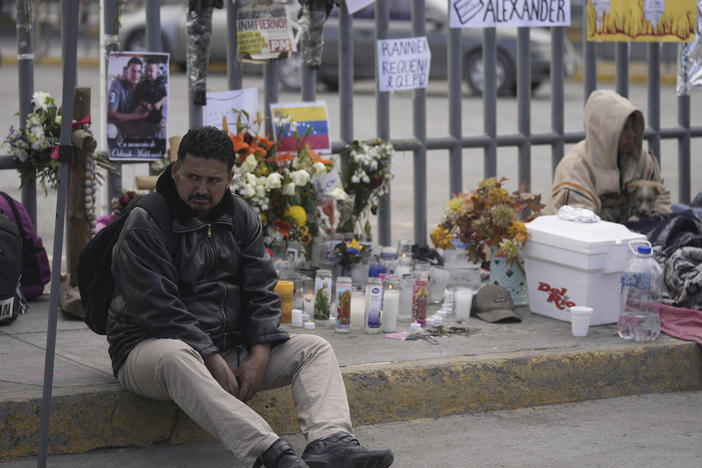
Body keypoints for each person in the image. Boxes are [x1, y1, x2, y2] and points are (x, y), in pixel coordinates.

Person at [106, 126, 394, 468]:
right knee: (176, 355)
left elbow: (261, 290)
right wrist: (210, 356)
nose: (201, 189)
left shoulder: (240, 215)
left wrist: (259, 355)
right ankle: (270, 455)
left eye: (213, 181)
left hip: (227, 347)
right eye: (192, 177)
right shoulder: (147, 220)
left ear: (229, 177)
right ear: (175, 171)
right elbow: (158, 307)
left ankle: (330, 442)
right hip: (149, 350)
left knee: (315, 349)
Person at [544, 89, 672, 223]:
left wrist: (653, 222)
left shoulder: (641, 158)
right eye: (625, 128)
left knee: (691, 215)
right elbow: (578, 224)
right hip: (596, 236)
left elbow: (662, 201)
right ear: (605, 130)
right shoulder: (576, 168)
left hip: (635, 231)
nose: (632, 135)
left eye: (633, 126)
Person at [106, 56, 149, 139]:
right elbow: (111, 115)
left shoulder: (143, 87)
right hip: (118, 126)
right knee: (110, 130)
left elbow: (146, 116)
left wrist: (120, 118)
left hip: (131, 127)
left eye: (139, 71)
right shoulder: (117, 84)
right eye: (133, 70)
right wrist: (137, 115)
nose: (136, 74)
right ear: (126, 71)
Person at [134, 59, 168, 138]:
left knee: (156, 136)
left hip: (157, 118)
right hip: (145, 118)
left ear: (157, 72)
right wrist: (145, 104)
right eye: (147, 71)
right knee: (143, 135)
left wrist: (159, 103)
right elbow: (139, 99)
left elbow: (165, 96)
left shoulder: (160, 84)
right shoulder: (142, 84)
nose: (148, 73)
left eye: (151, 71)